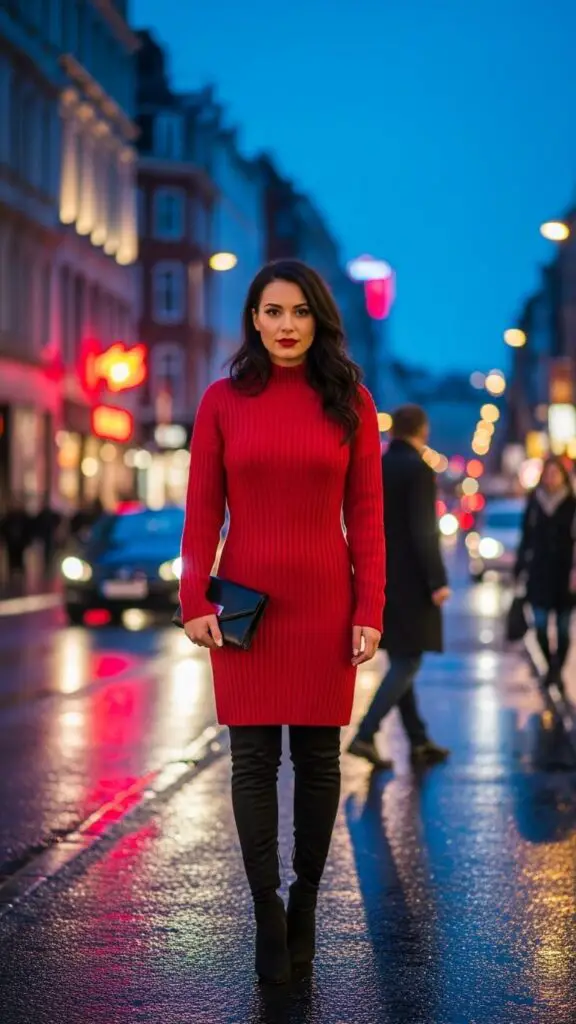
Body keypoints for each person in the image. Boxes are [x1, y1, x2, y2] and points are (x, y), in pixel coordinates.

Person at [179, 260, 385, 984]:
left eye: (299, 311)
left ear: (318, 318)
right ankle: (267, 913)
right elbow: (202, 510)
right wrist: (193, 599)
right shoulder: (221, 401)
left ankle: (305, 905)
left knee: (320, 762)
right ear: (254, 320)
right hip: (246, 607)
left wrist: (370, 608)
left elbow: (367, 516)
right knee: (253, 761)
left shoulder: (350, 401)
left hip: (325, 601)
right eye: (272, 312)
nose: (286, 325)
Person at [348, 404, 451, 770]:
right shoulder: (419, 469)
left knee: (400, 658)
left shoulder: (376, 465)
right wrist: (437, 580)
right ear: (422, 431)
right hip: (410, 581)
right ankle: (365, 733)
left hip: (377, 575)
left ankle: (418, 740)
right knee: (408, 660)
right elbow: (424, 529)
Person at [514, 456, 576, 695]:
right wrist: (520, 568)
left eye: (555, 474)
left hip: (564, 574)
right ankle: (552, 668)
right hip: (539, 572)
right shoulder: (535, 502)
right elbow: (526, 537)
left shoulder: (571, 504)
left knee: (562, 629)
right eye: (548, 474)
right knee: (539, 625)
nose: (551, 478)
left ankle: (556, 671)